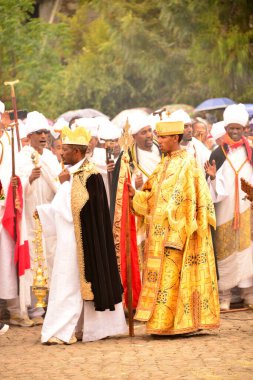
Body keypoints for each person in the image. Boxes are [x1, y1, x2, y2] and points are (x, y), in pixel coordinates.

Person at [128, 117, 220, 335]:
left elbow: (190, 199)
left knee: (174, 278)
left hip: (177, 232)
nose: (158, 140)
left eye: (162, 137)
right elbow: (152, 196)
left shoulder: (187, 162)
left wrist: (178, 229)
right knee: (163, 280)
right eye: (158, 136)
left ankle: (180, 325)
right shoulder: (164, 162)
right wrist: (135, 195)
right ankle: (162, 324)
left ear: (175, 138)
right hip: (158, 233)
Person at [37, 126, 127, 344]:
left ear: (77, 152)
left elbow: (70, 211)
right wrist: (43, 212)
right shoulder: (74, 174)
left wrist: (63, 185)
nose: (61, 153)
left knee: (68, 285)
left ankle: (63, 331)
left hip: (82, 242)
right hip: (72, 240)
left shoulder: (88, 175)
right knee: (67, 284)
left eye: (65, 149)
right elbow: (68, 210)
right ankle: (70, 329)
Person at [6, 111, 61, 327]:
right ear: (29, 136)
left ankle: (45, 305)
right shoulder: (21, 157)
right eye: (39, 132)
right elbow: (14, 188)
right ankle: (29, 307)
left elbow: (57, 183)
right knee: (31, 258)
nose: (43, 136)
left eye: (45, 132)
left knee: (49, 256)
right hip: (29, 216)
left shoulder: (49, 157)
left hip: (49, 213)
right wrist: (29, 179)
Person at [206, 103, 253, 310]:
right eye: (231, 129)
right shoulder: (218, 153)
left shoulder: (251, 151)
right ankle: (224, 295)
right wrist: (214, 179)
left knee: (246, 249)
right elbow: (209, 184)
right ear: (226, 129)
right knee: (224, 249)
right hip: (224, 207)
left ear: (245, 129)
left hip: (246, 206)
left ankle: (248, 293)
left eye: (238, 129)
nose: (234, 132)